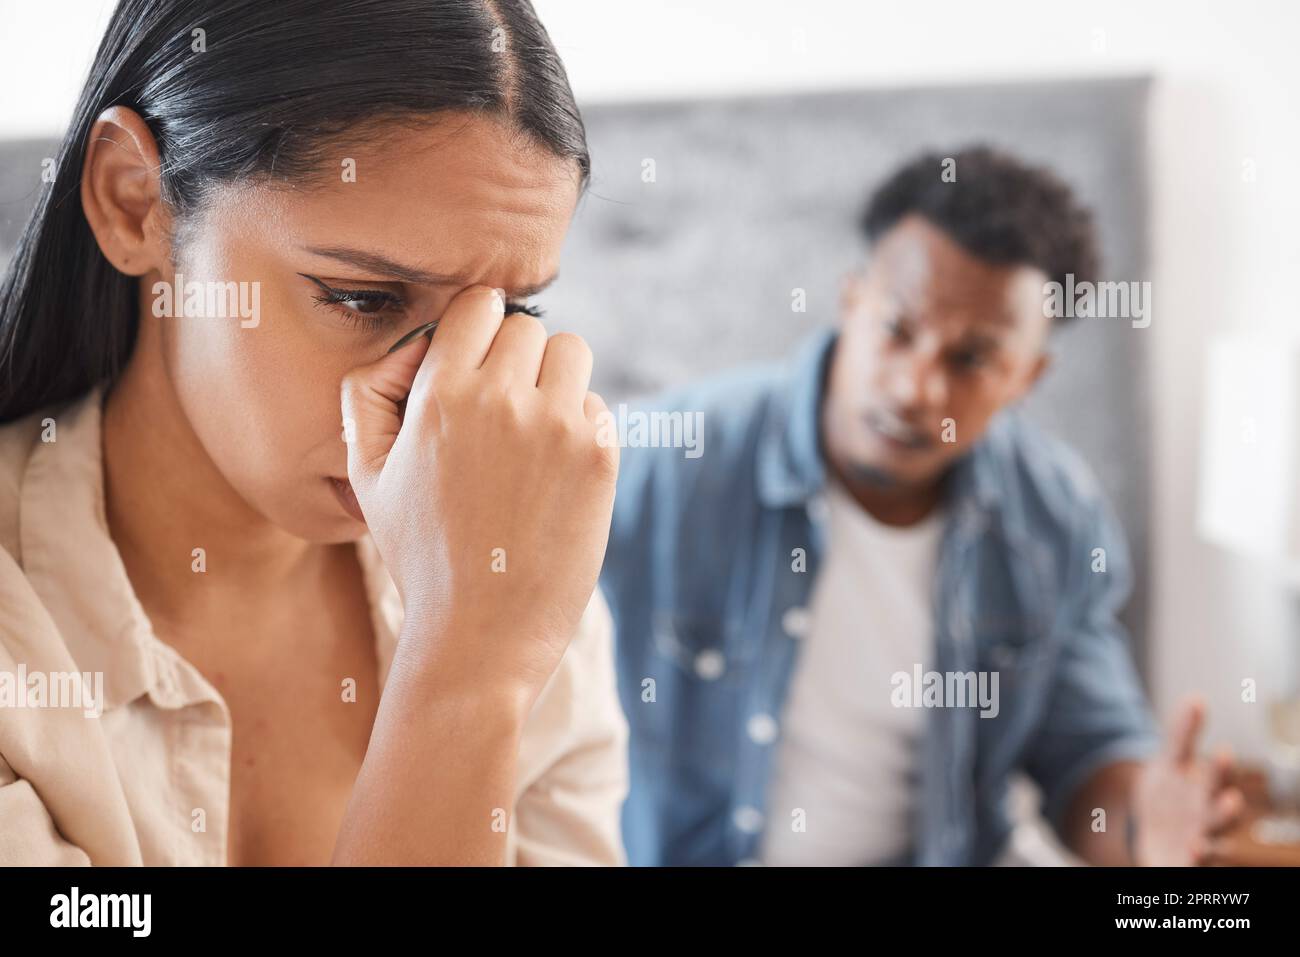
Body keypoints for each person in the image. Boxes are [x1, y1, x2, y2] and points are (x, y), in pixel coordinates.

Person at [0, 0, 626, 866]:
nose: (440, 410)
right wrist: (460, 682)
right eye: (364, 299)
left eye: (505, 316)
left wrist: (473, 655)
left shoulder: (519, 585)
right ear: (135, 202)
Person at [601, 146, 1244, 866]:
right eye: (898, 331)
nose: (916, 390)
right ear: (852, 302)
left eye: (971, 359)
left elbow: (1088, 761)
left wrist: (1143, 828)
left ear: (1027, 376)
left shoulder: (1053, 518)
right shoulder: (657, 466)